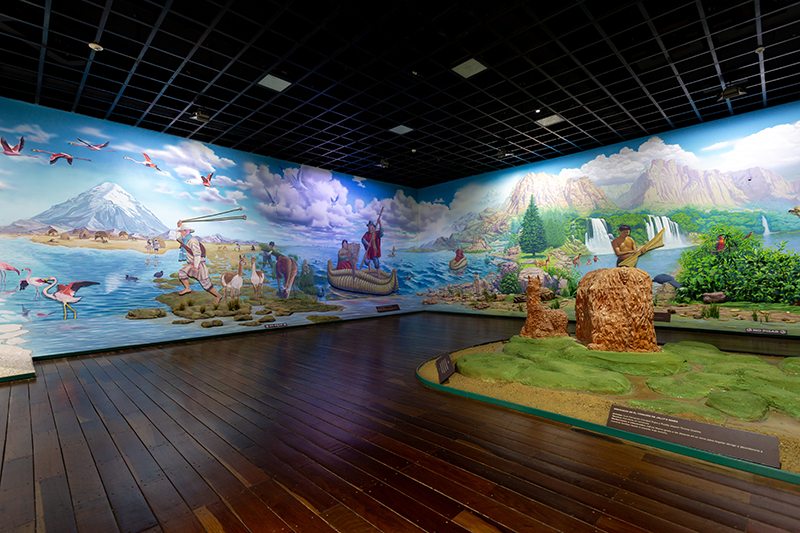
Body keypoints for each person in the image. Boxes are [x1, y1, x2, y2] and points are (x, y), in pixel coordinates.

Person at [176, 225, 222, 303]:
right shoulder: (185, 240)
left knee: (205, 283)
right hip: (192, 264)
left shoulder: (192, 241)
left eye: (182, 231)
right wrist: (179, 226)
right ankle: (187, 288)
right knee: (181, 272)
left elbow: (197, 255)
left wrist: (195, 267)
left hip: (198, 264)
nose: (180, 233)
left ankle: (218, 296)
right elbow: (177, 238)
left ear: (186, 232)